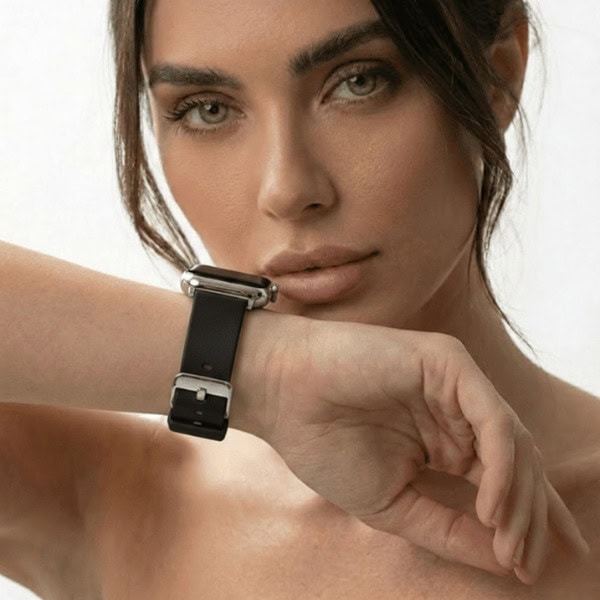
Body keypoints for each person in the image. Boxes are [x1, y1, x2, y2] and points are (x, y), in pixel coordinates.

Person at [0, 0, 598, 598]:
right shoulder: (117, 491)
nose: (286, 188)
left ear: (498, 73)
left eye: (358, 82)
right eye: (208, 109)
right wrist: (264, 371)